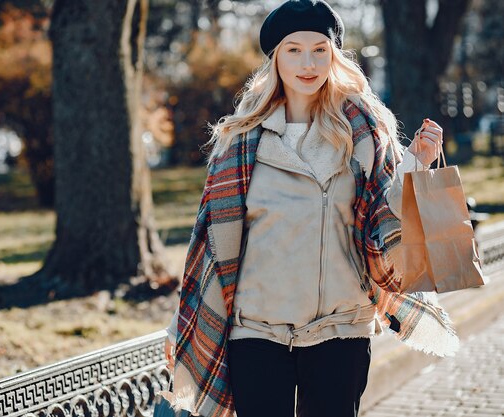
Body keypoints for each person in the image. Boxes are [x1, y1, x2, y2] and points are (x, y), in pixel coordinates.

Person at [162, 1, 458, 416]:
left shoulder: (364, 132)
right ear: (275, 59)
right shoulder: (240, 142)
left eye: (320, 49)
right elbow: (210, 247)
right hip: (256, 331)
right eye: (294, 50)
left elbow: (384, 224)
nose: (308, 62)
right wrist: (183, 323)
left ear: (334, 55)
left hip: (342, 326)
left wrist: (418, 164)